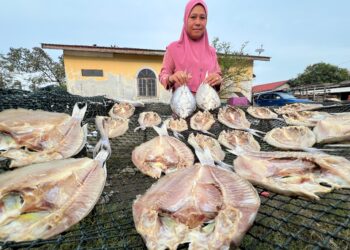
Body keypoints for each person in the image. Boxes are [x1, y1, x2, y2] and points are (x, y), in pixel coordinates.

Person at [159, 0, 222, 93]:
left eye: (202, 17)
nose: (198, 22)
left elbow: (218, 74)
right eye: (193, 17)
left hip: (208, 105)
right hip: (182, 105)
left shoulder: (211, 51)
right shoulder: (173, 48)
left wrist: (217, 79)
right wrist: (171, 78)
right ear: (185, 19)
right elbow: (163, 76)